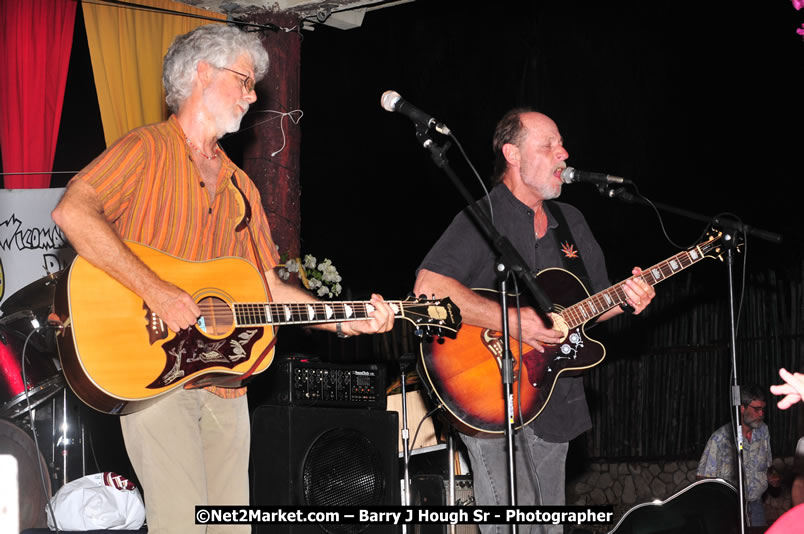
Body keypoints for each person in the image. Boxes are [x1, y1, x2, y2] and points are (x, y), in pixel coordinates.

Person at [51, 24, 394, 534]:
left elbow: (268, 289)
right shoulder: (145, 149)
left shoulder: (242, 187)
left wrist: (348, 322)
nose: (254, 96)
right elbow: (73, 212)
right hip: (150, 370)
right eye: (245, 80)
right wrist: (156, 289)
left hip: (226, 381)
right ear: (202, 73)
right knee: (184, 524)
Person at [413, 108, 655, 534]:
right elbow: (428, 289)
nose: (563, 153)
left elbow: (599, 301)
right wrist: (512, 320)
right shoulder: (482, 216)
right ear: (513, 154)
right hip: (486, 392)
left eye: (561, 144)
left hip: (555, 401)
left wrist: (631, 298)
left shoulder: (571, 221)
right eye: (549, 144)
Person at [696, 384, 773, 527]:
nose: (761, 414)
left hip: (756, 506)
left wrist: (772, 477)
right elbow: (702, 479)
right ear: (742, 408)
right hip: (728, 510)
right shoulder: (720, 438)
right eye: (756, 409)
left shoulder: (763, 431)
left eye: (763, 409)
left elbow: (767, 466)